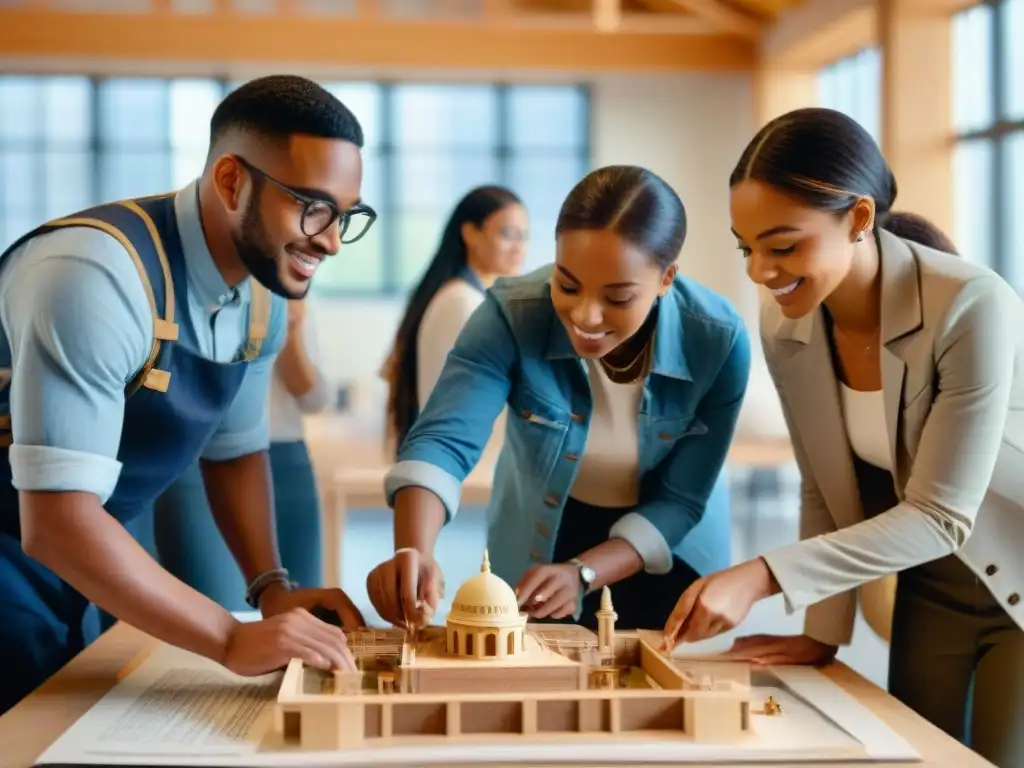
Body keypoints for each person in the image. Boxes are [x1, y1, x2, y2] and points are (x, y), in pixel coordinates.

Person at [0, 74, 374, 715]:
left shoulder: (263, 295)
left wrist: (270, 589)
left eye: (345, 215)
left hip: (88, 553)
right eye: (312, 207)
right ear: (232, 181)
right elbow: (58, 522)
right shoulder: (93, 274)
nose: (332, 239)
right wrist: (229, 637)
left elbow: (234, 449)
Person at [662, 107, 1024, 766]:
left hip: (1017, 577)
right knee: (913, 753)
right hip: (930, 586)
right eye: (749, 248)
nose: (760, 273)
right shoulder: (788, 330)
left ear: (859, 218)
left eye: (784, 245)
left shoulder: (973, 304)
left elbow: (942, 515)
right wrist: (820, 631)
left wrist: (764, 574)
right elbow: (824, 487)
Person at [366, 165, 750, 633]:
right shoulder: (512, 312)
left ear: (666, 278)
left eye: (618, 297)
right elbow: (445, 438)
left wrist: (584, 572)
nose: (585, 315)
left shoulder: (717, 338)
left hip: (666, 545)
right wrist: (414, 549)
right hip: (543, 531)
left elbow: (681, 499)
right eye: (567, 285)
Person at [152, 292, 330, 608]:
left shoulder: (290, 288)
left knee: (304, 614)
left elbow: (314, 398)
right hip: (200, 459)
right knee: (222, 608)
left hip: (286, 458)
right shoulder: (186, 288)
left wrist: (286, 330)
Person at [381, 184, 527, 453]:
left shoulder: (461, 296)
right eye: (507, 234)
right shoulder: (464, 303)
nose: (519, 248)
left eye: (523, 236)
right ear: (471, 233)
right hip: (464, 464)